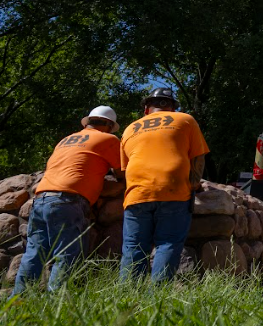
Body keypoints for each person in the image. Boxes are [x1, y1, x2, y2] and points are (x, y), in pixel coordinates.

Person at [12, 106, 123, 294]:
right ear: (109, 125)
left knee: (34, 254)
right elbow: (122, 172)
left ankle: (17, 302)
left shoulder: (66, 140)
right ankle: (57, 305)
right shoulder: (108, 139)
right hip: (68, 199)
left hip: (41, 198)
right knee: (67, 254)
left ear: (88, 122)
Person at [119, 86, 210, 282]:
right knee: (167, 243)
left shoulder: (130, 129)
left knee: (134, 246)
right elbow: (198, 157)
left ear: (146, 110)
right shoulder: (185, 119)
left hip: (137, 193)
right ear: (172, 108)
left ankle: (127, 298)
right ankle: (156, 297)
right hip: (174, 190)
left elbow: (125, 169)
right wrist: (193, 183)